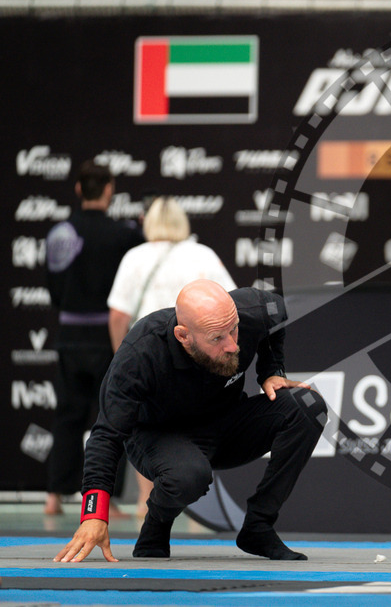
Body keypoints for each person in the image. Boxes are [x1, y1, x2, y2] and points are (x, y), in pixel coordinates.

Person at [54, 280, 326, 563]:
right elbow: (105, 436)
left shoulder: (253, 311)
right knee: (189, 476)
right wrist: (94, 515)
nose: (233, 345)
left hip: (224, 422)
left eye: (234, 330)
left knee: (308, 406)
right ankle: (157, 523)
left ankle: (258, 526)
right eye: (217, 338)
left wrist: (272, 369)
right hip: (157, 437)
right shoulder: (140, 354)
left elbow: (278, 313)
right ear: (183, 336)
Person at [106, 196, 237, 516]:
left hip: (149, 359)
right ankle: (198, 508)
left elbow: (118, 316)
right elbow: (232, 301)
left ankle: (143, 503)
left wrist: (122, 360)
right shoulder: (202, 254)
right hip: (197, 358)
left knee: (146, 424)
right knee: (200, 421)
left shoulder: (135, 257)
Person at [44, 160, 145, 516]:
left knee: (67, 415)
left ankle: (54, 497)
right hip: (108, 337)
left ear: (77, 190)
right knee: (111, 417)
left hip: (69, 335)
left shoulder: (60, 233)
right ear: (109, 190)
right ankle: (108, 501)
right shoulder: (126, 235)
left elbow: (54, 291)